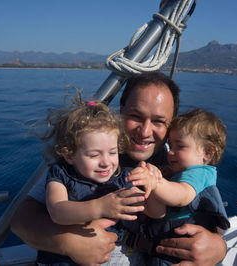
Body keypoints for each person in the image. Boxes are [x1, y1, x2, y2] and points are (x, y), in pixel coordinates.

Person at [11, 72, 227, 265]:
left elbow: (199, 207)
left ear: (170, 125)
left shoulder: (174, 159)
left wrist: (218, 247)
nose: (145, 131)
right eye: (135, 116)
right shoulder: (88, 151)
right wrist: (67, 242)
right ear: (121, 111)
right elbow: (21, 219)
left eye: (159, 121)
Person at [37, 99, 154, 265]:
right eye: (94, 155)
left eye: (113, 152)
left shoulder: (124, 177)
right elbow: (57, 211)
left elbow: (152, 209)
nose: (106, 162)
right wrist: (99, 207)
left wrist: (153, 183)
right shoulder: (61, 175)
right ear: (69, 155)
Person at [127, 109, 230, 265]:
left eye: (179, 146)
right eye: (171, 145)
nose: (171, 152)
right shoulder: (181, 173)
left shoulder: (199, 173)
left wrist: (156, 182)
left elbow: (182, 196)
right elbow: (158, 213)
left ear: (207, 153)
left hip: (179, 250)